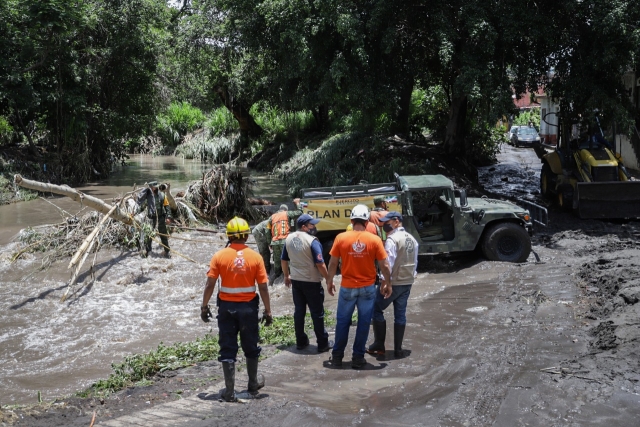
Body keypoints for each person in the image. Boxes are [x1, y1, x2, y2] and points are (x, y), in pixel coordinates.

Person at [200, 216, 273, 402]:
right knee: (251, 346)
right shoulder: (255, 257)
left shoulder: (219, 256)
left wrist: (204, 305)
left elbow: (210, 284)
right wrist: (268, 310)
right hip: (248, 309)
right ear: (247, 235)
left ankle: (229, 391)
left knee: (227, 348)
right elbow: (263, 286)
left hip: (226, 309)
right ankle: (253, 384)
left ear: (229, 236)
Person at [327, 204, 391, 369]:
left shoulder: (341, 238)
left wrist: (329, 281)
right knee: (363, 323)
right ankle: (358, 358)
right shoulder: (374, 239)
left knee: (342, 322)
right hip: (368, 289)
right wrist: (387, 283)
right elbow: (385, 265)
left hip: (347, 287)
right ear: (367, 221)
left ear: (351, 220)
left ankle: (337, 358)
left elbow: (333, 263)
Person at [367, 211, 418, 359]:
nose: (384, 225)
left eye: (387, 222)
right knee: (400, 315)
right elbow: (415, 263)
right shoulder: (412, 239)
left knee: (376, 309)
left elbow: (387, 264)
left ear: (396, 221)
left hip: (393, 282)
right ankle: (398, 350)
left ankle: (379, 344)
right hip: (407, 282)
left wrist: (385, 282)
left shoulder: (392, 239)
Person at [281, 214, 333, 353]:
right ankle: (322, 343)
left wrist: (286, 276)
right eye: (312, 225)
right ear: (304, 227)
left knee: (299, 311)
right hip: (311, 281)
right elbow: (320, 263)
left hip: (296, 281)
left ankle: (300, 341)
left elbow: (284, 260)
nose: (314, 227)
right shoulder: (312, 241)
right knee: (317, 313)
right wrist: (328, 279)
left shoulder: (289, 238)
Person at [267, 198, 302, 285]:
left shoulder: (271, 217)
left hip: (275, 242)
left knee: (277, 262)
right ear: (285, 209)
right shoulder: (287, 213)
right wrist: (298, 203)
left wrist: (269, 242)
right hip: (284, 241)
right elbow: (299, 212)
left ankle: (274, 279)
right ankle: (289, 279)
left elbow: (267, 230)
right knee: (288, 260)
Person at [137, 180, 172, 257]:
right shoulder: (147, 196)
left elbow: (167, 207)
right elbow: (142, 207)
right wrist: (136, 213)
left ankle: (167, 251)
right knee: (149, 236)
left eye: (154, 187)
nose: (153, 188)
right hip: (151, 219)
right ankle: (148, 251)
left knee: (163, 235)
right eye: (152, 187)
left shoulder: (162, 195)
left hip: (160, 218)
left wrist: (168, 217)